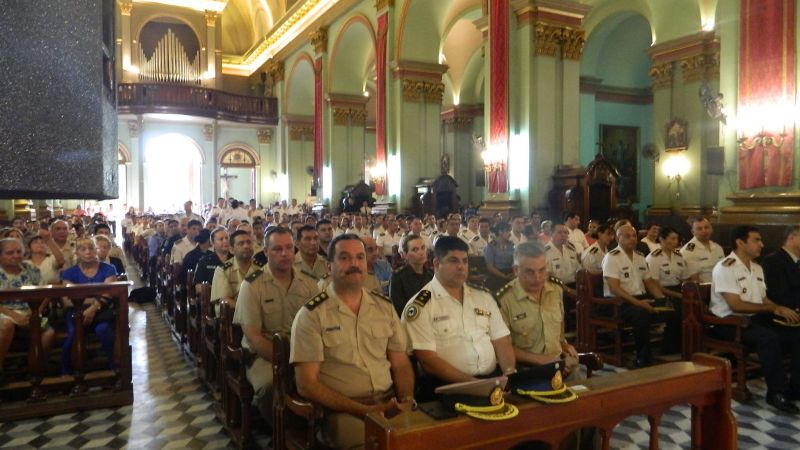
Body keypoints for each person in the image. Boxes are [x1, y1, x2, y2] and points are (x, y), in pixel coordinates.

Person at [290, 234, 415, 449]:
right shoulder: (311, 315)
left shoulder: (384, 307)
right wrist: (364, 411)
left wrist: (406, 400)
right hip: (343, 410)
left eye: (359, 257)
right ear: (329, 267)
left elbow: (401, 364)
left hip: (389, 402)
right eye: (345, 258)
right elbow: (306, 384)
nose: (354, 264)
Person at [402, 236, 515, 399]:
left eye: (465, 261)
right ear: (436, 264)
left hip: (494, 383)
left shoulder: (483, 297)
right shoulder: (420, 305)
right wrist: (477, 385)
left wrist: (509, 373)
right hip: (448, 388)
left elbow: (502, 341)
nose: (461, 267)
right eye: (453, 261)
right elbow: (428, 361)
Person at [710, 226, 800, 413]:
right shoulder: (726, 267)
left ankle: (795, 388)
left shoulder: (757, 268)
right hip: (728, 322)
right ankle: (776, 393)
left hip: (753, 319)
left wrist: (779, 309)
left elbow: (763, 298)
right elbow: (736, 305)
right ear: (740, 242)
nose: (762, 244)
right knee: (768, 338)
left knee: (795, 331)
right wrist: (772, 308)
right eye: (757, 240)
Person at [234, 227, 319, 421]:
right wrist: (287, 362)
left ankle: (315, 429)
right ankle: (281, 433)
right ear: (265, 252)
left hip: (304, 352)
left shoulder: (309, 283)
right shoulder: (252, 285)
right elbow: (254, 337)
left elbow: (319, 325)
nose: (284, 254)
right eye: (277, 249)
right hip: (265, 355)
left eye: (289, 248)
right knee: (270, 386)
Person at [496, 242, 580, 377]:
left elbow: (559, 325)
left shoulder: (555, 289)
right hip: (526, 369)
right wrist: (543, 361)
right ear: (516, 270)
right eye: (530, 271)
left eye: (542, 270)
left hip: (558, 362)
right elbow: (502, 347)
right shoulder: (503, 300)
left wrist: (563, 344)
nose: (538, 277)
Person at [602, 225, 680, 367]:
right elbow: (615, 288)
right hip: (618, 303)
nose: (632, 239)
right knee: (641, 313)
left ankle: (669, 348)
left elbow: (649, 282)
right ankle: (642, 357)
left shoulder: (639, 256)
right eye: (627, 236)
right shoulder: (612, 257)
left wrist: (662, 300)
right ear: (618, 238)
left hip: (640, 299)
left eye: (634, 236)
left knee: (674, 309)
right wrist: (640, 303)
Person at [60, 237, 118, 375]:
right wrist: (93, 299)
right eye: (83, 249)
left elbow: (108, 294)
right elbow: (67, 300)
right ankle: (66, 372)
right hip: (76, 312)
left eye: (91, 248)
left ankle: (114, 366)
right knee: (73, 333)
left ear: (96, 251)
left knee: (103, 330)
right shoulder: (69, 272)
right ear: (77, 253)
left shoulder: (108, 269)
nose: (88, 252)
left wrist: (91, 307)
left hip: (102, 312)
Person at [0, 238, 56, 380]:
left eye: (19, 251)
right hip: (4, 312)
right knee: (6, 324)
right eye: (10, 252)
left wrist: (35, 313)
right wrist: (14, 315)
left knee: (48, 333)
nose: (15, 255)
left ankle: (33, 369)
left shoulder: (30, 269)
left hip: (30, 312)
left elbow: (45, 293)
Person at [210, 230, 257, 313]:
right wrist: (249, 310)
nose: (246, 246)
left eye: (249, 242)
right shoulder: (222, 270)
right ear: (231, 249)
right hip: (233, 317)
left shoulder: (260, 268)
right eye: (241, 244)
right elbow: (224, 300)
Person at [390, 234, 434, 316]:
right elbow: (398, 310)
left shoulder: (432, 274)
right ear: (406, 255)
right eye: (415, 250)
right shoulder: (398, 277)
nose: (421, 252)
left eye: (423, 248)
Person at [645, 227, 688, 300]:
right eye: (672, 239)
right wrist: (677, 295)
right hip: (662, 293)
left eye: (677, 239)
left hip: (679, 290)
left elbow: (684, 280)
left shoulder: (679, 257)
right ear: (662, 239)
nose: (676, 242)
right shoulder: (654, 258)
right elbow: (655, 285)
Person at [680, 216, 724, 282]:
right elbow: (694, 279)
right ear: (693, 232)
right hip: (703, 288)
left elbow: (724, 270)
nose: (704, 230)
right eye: (699, 229)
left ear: (711, 229)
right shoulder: (688, 250)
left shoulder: (718, 247)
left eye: (706, 227)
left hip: (721, 286)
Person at [544, 222, 580, 299]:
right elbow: (548, 277)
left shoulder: (571, 249)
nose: (563, 235)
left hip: (574, 286)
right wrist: (567, 290)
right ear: (551, 234)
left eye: (565, 232)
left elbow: (578, 271)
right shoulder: (545, 252)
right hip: (555, 289)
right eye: (559, 232)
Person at [484, 222, 515, 292]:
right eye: (507, 231)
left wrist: (514, 273)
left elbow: (515, 261)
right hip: (496, 274)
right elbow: (489, 266)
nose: (510, 233)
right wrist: (503, 276)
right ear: (500, 232)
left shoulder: (511, 244)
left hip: (510, 273)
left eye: (510, 231)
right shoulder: (491, 246)